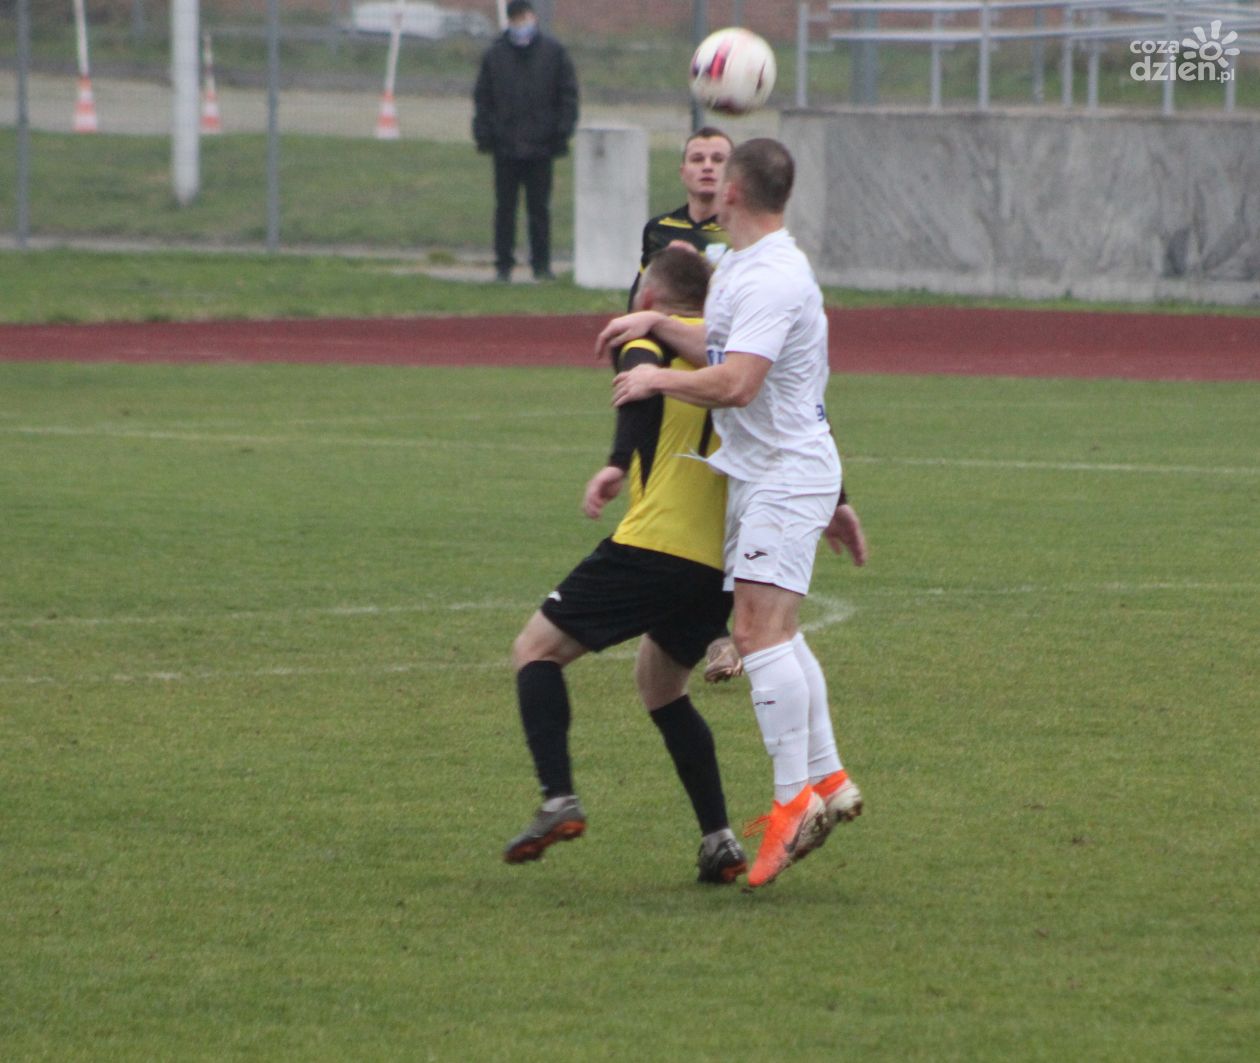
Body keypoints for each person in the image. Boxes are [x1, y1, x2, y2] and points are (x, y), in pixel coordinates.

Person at [600, 138, 869, 889]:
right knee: (777, 631)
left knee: (754, 635)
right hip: (767, 473)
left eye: (723, 175)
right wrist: (655, 327)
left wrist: (656, 378)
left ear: (737, 194)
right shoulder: (743, 266)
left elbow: (739, 382)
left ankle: (793, 805)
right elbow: (719, 343)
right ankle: (827, 779)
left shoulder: (774, 275)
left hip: (784, 474)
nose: (710, 181)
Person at [505, 246, 747, 885]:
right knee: (661, 688)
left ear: (648, 297)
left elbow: (635, 384)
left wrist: (617, 461)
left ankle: (558, 798)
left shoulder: (647, 339)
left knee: (534, 651)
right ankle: (719, 840)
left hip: (656, 543)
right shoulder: (737, 356)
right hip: (718, 560)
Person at [472, 0, 578, 283]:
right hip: (505, 147)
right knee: (504, 209)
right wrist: (485, 134)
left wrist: (561, 132)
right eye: (517, 19)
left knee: (539, 210)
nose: (522, 24)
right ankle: (503, 266)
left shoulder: (554, 53)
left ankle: (541, 266)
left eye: (525, 17)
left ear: (533, 17)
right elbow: (483, 98)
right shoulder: (495, 55)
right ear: (509, 21)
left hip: (541, 146)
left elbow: (567, 96)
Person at [628, 127, 733, 309]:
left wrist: (697, 265)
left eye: (718, 159)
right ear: (682, 172)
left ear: (733, 172)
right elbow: (639, 298)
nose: (707, 166)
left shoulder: (740, 232)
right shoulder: (659, 229)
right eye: (697, 159)